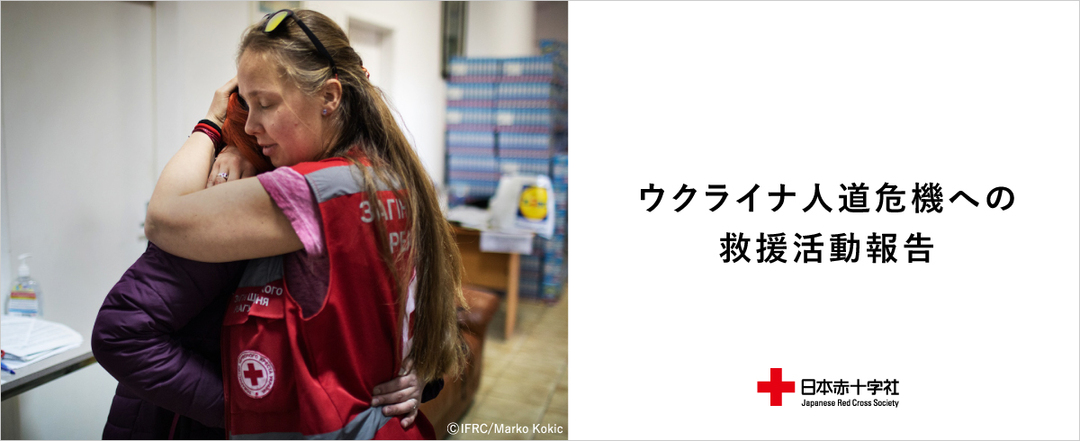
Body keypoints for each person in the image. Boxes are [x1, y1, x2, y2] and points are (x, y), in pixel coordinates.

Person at [144, 8, 466, 439]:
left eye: (265, 104)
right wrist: (424, 372)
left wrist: (212, 125)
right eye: (245, 106)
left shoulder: (312, 190)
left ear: (330, 97)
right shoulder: (392, 177)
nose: (252, 125)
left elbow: (162, 219)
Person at [92, 93, 442, 439]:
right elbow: (124, 331)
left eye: (268, 105)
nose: (255, 125)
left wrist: (419, 372)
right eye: (255, 107)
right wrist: (248, 411)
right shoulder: (238, 196)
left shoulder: (369, 193)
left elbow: (424, 317)